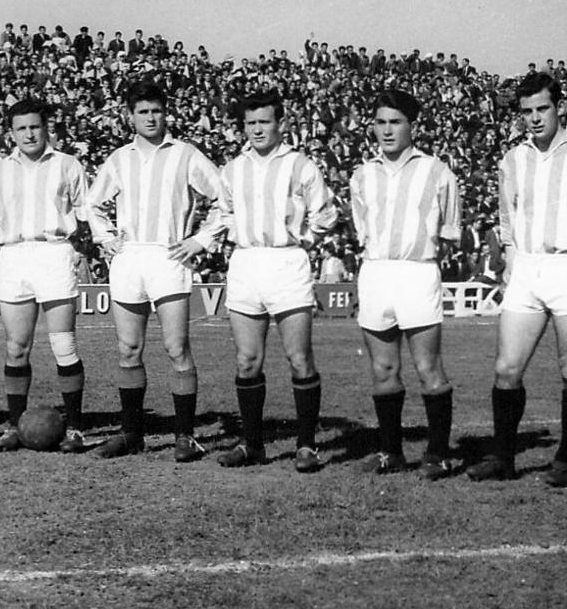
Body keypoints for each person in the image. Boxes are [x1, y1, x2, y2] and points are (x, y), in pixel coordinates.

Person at [87, 80, 223, 459]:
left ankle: (185, 436)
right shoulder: (118, 158)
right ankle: (132, 434)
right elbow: (92, 204)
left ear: (166, 113)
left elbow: (223, 198)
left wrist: (200, 240)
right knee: (128, 348)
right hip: (129, 258)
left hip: (169, 257)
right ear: (130, 116)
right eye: (143, 111)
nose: (150, 117)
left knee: (176, 347)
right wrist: (106, 239)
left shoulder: (186, 154)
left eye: (156, 111)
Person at [214, 90, 338, 472]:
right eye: (250, 123)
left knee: (298, 358)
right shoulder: (233, 168)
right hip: (247, 262)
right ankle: (253, 445)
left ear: (280, 124)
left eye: (264, 122)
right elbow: (224, 213)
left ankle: (306, 445)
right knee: (247, 359)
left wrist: (303, 240)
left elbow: (325, 214)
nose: (256, 129)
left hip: (287, 262)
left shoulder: (301, 165)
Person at [350, 89, 460, 479]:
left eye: (395, 121)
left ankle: (437, 453)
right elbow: (363, 229)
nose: (387, 130)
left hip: (417, 271)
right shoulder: (361, 174)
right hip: (377, 271)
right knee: (383, 368)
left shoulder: (438, 171)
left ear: (412, 125)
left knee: (428, 366)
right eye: (380, 122)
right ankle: (390, 451)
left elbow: (449, 233)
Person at [468, 72, 567, 484]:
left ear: (559, 107)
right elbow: (507, 219)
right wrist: (510, 264)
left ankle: (566, 460)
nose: (535, 118)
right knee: (507, 368)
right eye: (527, 112)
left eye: (542, 108)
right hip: (527, 267)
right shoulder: (513, 159)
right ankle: (503, 459)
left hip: (565, 265)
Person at [0, 99, 90, 454]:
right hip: (14, 255)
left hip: (53, 252)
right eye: (21, 128)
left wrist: (80, 250)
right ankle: (14, 425)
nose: (29, 134)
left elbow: (84, 211)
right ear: (10, 133)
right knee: (17, 347)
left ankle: (76, 428)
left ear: (46, 128)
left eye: (34, 126)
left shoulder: (68, 165)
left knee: (63, 344)